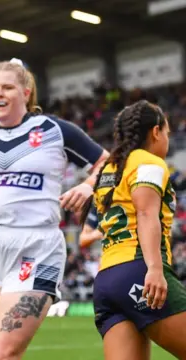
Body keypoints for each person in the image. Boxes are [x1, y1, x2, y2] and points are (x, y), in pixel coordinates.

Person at [0, 58, 109, 360]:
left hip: (36, 247)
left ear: (26, 92)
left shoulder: (54, 130)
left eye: (7, 87)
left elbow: (108, 162)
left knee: (2, 353)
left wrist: (88, 185)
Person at [82, 100, 186, 360]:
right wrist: (154, 268)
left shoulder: (109, 169)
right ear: (155, 132)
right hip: (139, 271)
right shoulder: (149, 163)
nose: (167, 139)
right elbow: (146, 212)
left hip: (107, 282)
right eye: (167, 133)